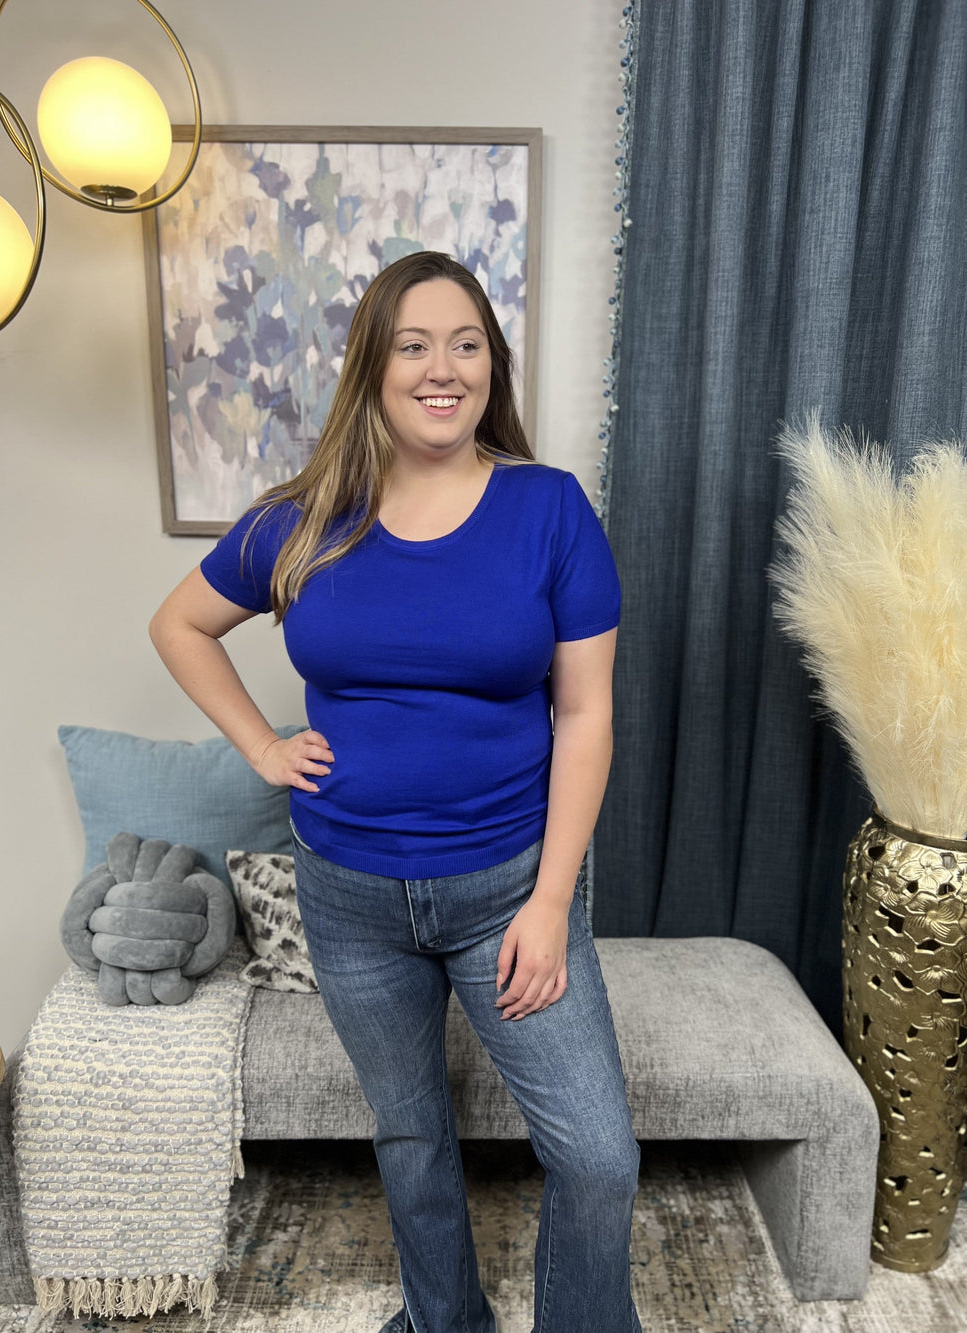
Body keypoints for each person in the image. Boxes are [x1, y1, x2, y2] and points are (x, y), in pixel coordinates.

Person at [149, 250, 642, 1333]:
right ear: (372, 366)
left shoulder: (549, 510)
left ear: (491, 365)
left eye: (465, 344)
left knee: (598, 1153)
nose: (441, 368)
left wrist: (551, 901)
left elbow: (584, 715)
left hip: (508, 891)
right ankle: (442, 1322)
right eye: (413, 345)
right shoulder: (305, 516)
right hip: (349, 896)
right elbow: (178, 623)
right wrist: (262, 747)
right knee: (411, 1136)